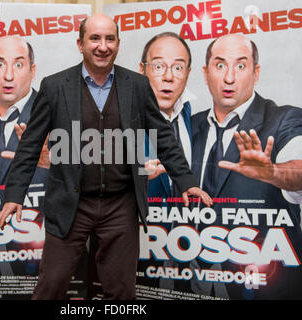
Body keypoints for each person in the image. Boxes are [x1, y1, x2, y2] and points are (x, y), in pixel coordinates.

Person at [0, 14, 212, 300]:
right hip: (70, 203)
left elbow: (163, 136)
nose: (102, 45)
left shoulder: (137, 85)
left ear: (118, 44)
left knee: (121, 292)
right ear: (80, 44)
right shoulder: (55, 86)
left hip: (120, 206)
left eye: (109, 38)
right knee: (51, 287)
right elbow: (30, 146)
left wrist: (186, 180)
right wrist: (14, 195)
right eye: (94, 38)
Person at [190, 34, 302, 299]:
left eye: (240, 66)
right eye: (219, 65)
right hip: (197, 283)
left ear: (256, 72)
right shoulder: (188, 127)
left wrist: (274, 173)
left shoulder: (285, 118)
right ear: (205, 73)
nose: (229, 78)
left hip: (270, 288)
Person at [0, 35, 49, 277]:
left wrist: (52, 164)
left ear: (32, 70)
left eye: (18, 64)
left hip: (36, 256)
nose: (8, 75)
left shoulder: (57, 116)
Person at [138, 32, 195, 293]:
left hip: (195, 267)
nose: (168, 76)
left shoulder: (202, 124)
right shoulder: (115, 126)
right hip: (135, 268)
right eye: (158, 66)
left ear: (188, 72)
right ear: (142, 70)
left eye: (178, 67)